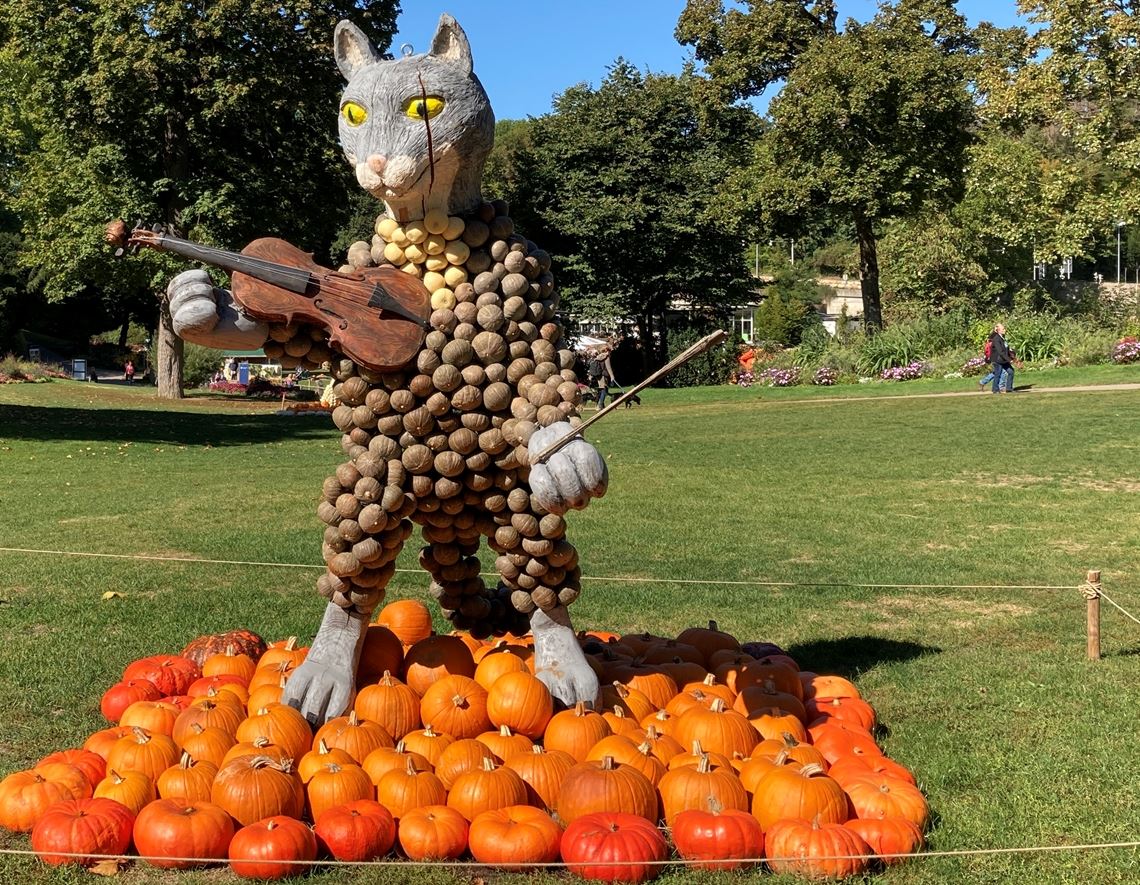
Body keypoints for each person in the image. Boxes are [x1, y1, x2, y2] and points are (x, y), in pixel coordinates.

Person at [987, 323, 1014, 393]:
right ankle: (995, 389)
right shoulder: (996, 339)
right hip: (997, 360)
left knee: (1011, 371)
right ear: (998, 330)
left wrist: (1011, 352)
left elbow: (1005, 348)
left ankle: (1009, 388)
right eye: (1003, 329)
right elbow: (1000, 351)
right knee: (997, 374)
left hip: (1003, 359)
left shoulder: (1002, 338)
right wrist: (1009, 360)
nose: (1005, 330)